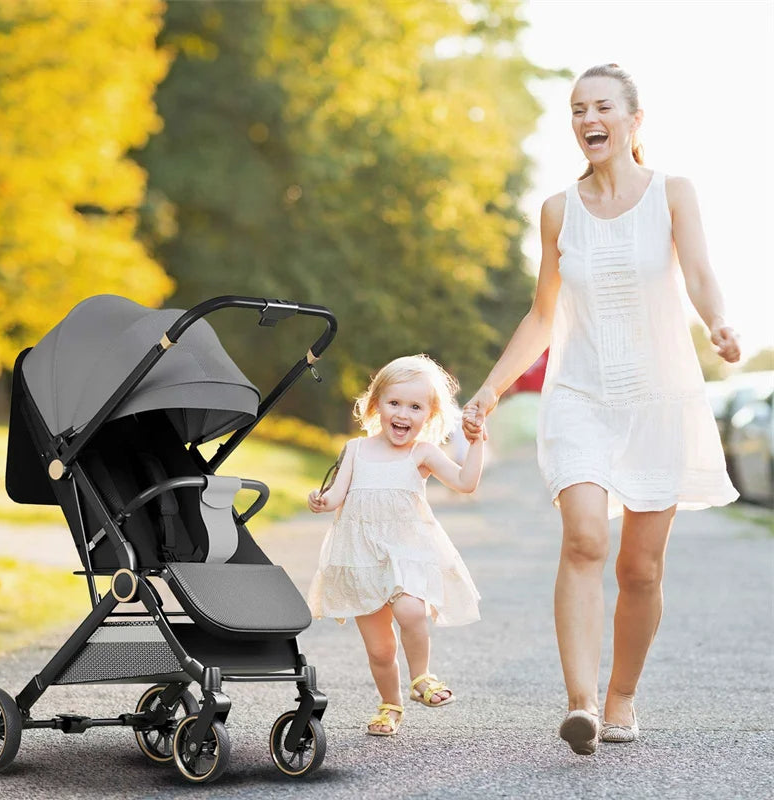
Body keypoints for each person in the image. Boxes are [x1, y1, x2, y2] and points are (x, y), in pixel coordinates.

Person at [462, 63, 740, 756]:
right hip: (581, 394)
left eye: (603, 106)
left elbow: (701, 274)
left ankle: (622, 696)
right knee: (585, 537)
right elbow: (542, 314)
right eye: (578, 108)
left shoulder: (673, 193)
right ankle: (581, 701)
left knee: (639, 570)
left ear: (634, 120)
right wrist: (491, 389)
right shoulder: (558, 209)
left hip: (658, 398)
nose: (590, 117)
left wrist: (720, 323)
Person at [307, 354, 484, 736]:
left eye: (415, 406)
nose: (403, 414)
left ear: (430, 414)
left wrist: (476, 443)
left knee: (411, 611)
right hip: (362, 561)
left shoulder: (422, 453)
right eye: (394, 403)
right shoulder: (355, 449)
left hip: (406, 554)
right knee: (380, 650)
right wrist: (319, 501)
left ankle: (421, 678)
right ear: (376, 405)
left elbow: (465, 483)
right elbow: (336, 496)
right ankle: (390, 705)